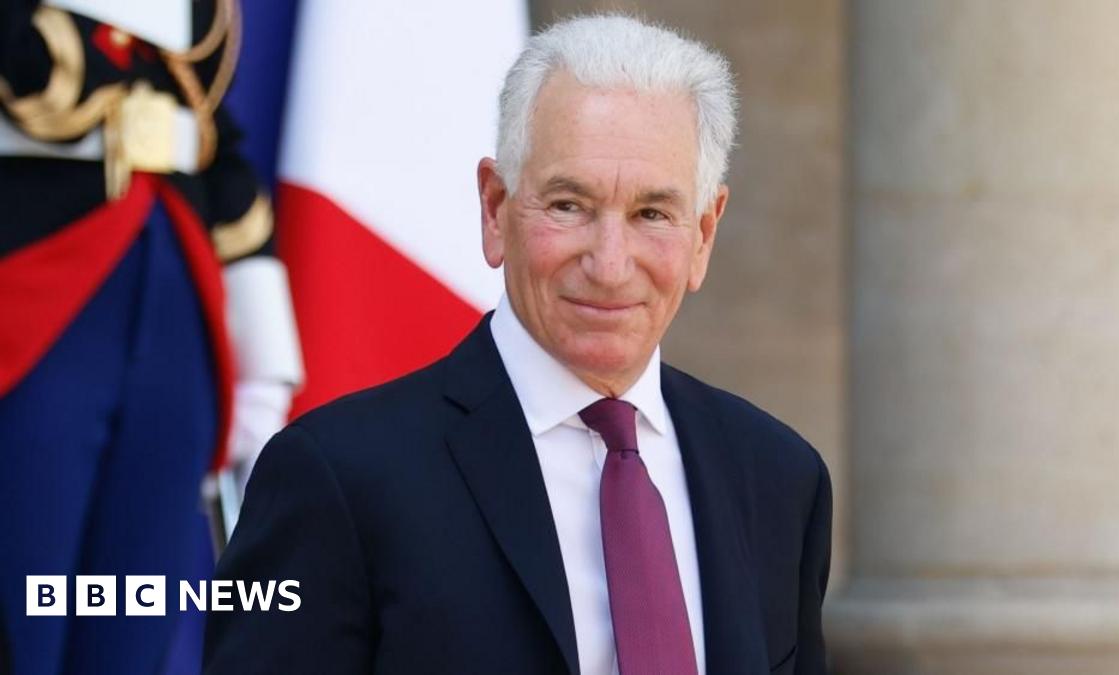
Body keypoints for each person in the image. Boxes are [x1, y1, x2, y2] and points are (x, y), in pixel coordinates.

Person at [205, 13, 831, 675]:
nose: (610, 263)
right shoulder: (335, 477)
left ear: (703, 234)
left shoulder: (780, 478)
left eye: (652, 213)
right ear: (495, 207)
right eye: (569, 205)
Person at [0, 1, 302, 673]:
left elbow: (216, 145)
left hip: (174, 310)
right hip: (30, 300)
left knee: (132, 621)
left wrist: (265, 367)